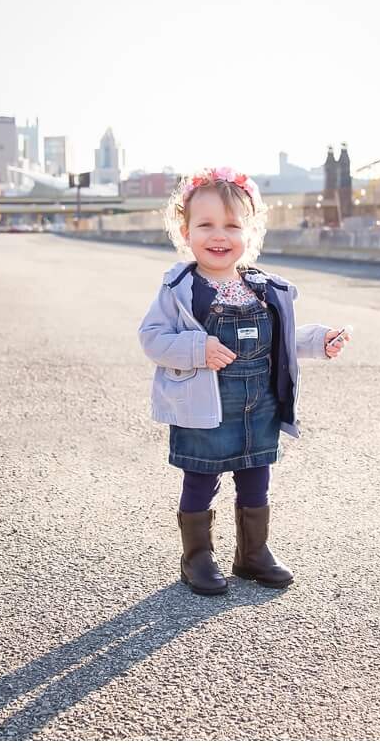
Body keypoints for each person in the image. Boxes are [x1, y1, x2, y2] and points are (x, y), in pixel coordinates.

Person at [138, 167, 350, 595]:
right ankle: (196, 557)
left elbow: (282, 339)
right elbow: (153, 338)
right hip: (206, 406)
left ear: (250, 232)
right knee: (201, 478)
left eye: (232, 226)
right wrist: (197, 349)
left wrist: (319, 341)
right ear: (185, 230)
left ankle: (253, 553)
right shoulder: (180, 288)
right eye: (206, 225)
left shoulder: (262, 286)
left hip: (260, 405)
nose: (219, 236)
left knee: (257, 477)